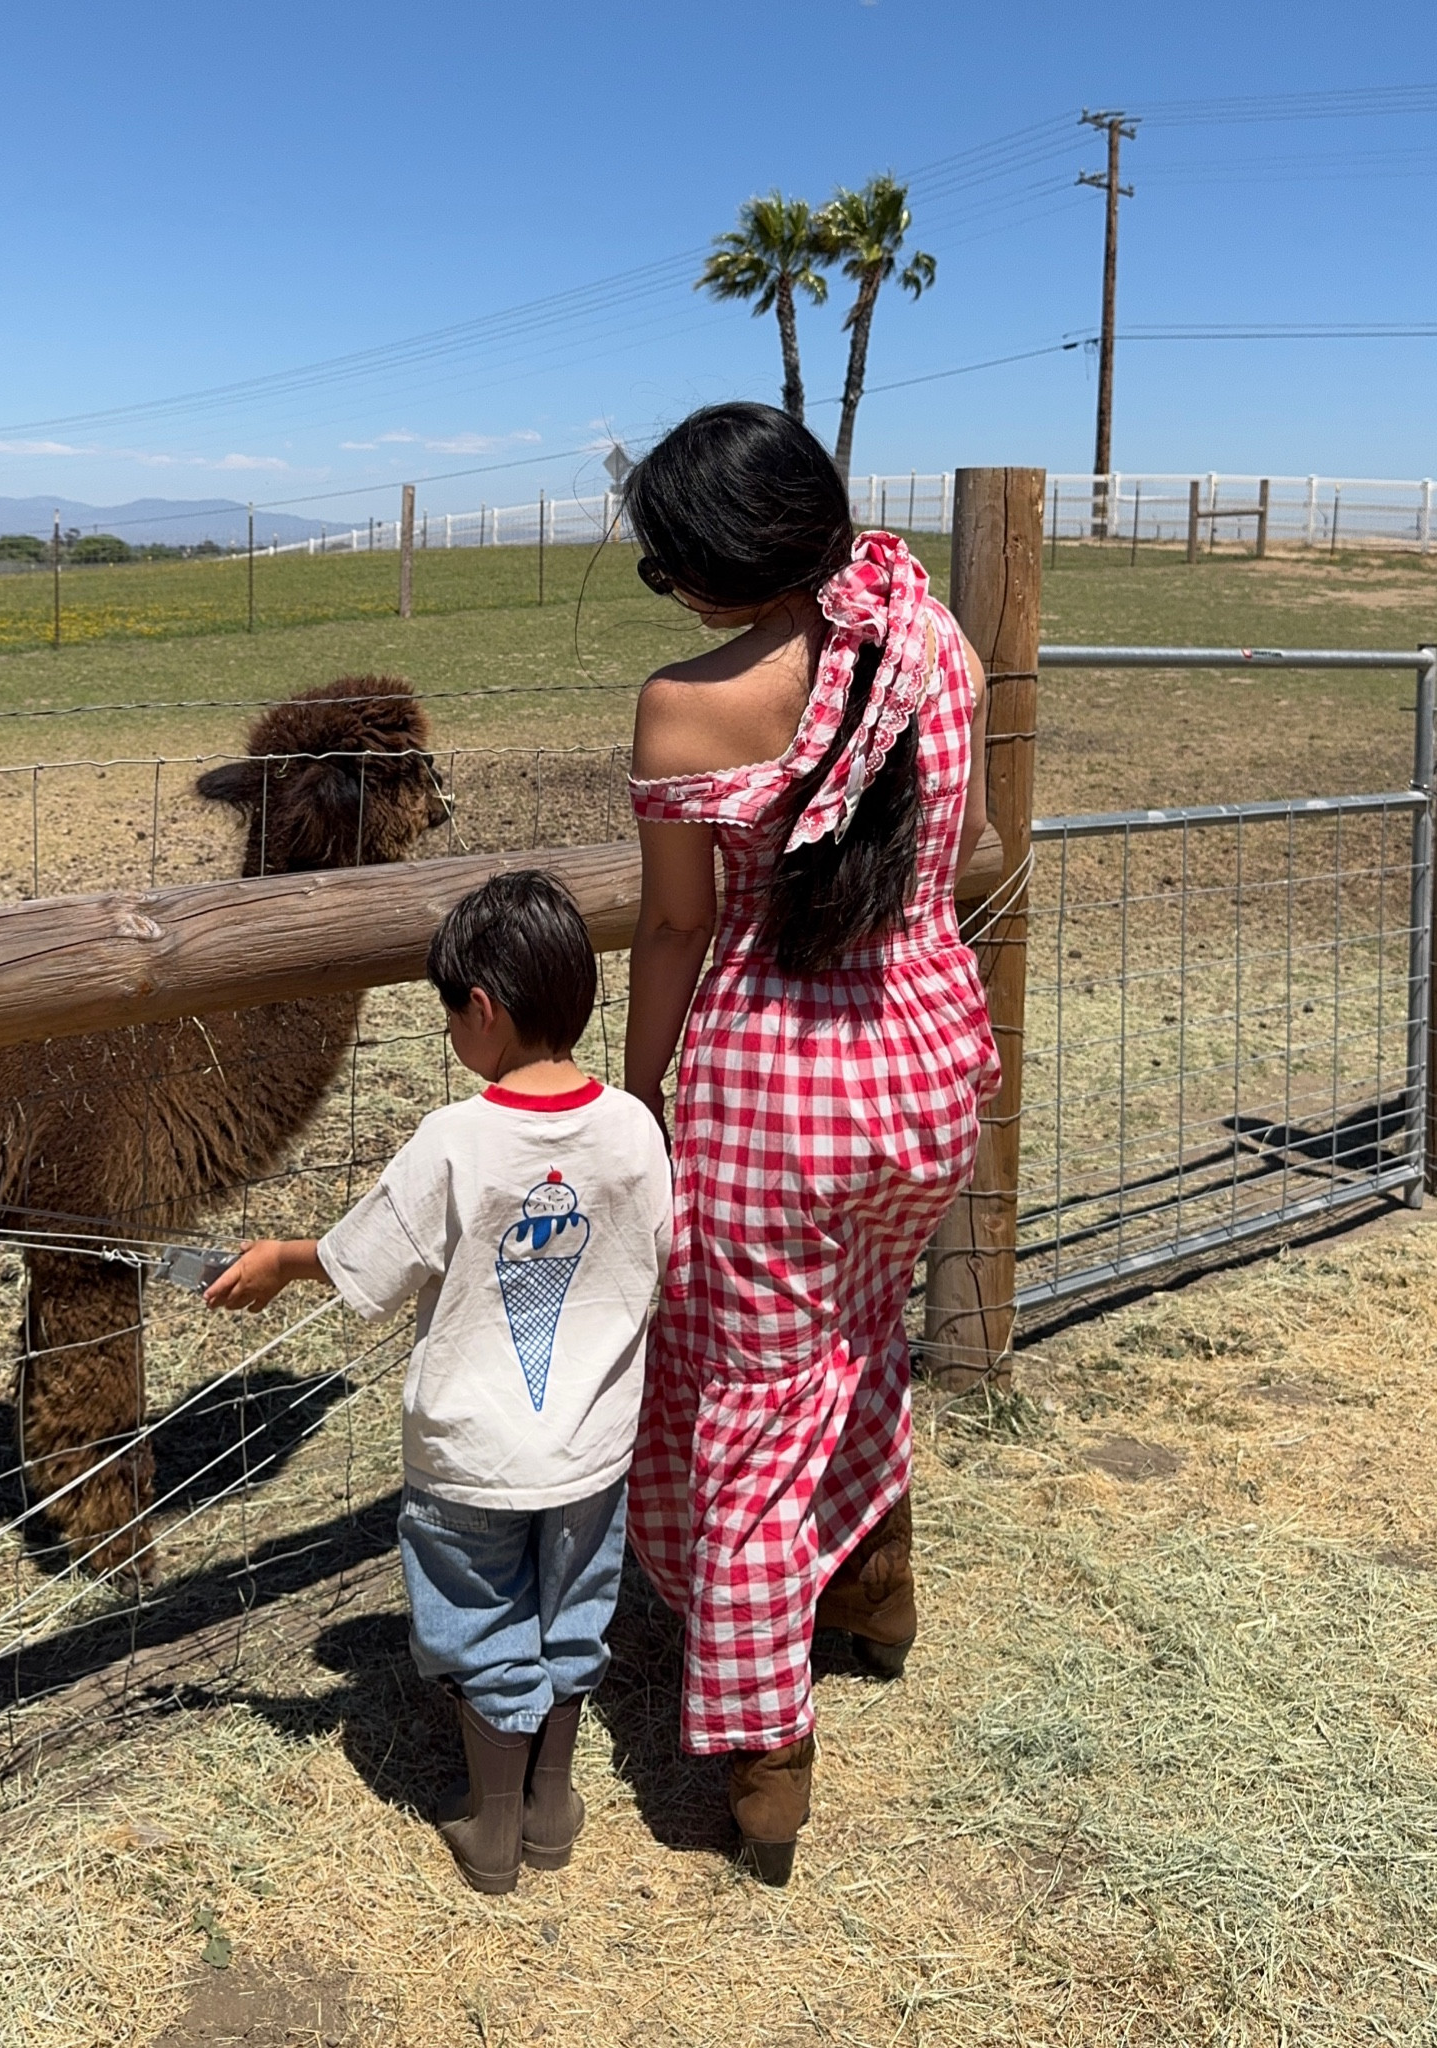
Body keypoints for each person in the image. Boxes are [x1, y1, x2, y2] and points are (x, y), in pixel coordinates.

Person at [621, 403, 999, 1886]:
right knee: (862, 1329)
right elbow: (964, 850)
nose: (665, 591)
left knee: (755, 1401)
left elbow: (675, 922)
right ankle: (876, 1580)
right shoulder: (937, 636)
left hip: (778, 1089)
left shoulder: (684, 704)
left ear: (720, 562)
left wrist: (638, 1092)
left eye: (665, 564)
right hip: (930, 1061)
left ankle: (767, 1750)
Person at [207, 870, 672, 1895]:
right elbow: (655, 1257)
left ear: (484, 1009)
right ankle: (552, 1804)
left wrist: (282, 1259)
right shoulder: (636, 1130)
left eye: (451, 1011)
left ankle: (494, 1824)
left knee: (482, 1615)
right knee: (575, 1607)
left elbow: (367, 1261)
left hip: (474, 1456)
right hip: (593, 1450)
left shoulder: (455, 1141)